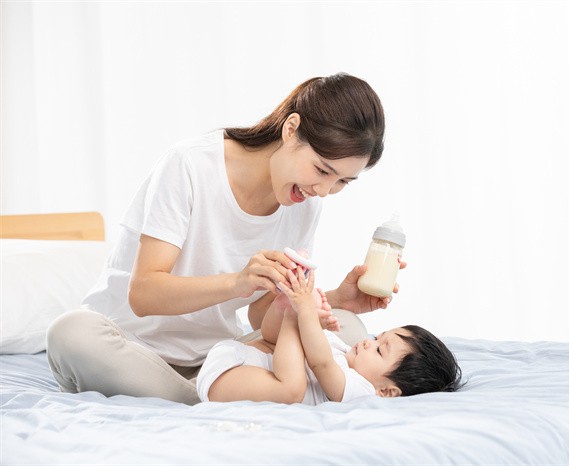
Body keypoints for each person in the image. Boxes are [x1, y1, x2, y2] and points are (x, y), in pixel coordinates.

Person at [46, 73, 399, 405]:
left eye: (341, 182)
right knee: (71, 333)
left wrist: (335, 299)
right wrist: (238, 282)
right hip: (128, 349)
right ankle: (208, 398)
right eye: (322, 169)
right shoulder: (190, 165)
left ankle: (205, 393)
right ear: (291, 129)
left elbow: (263, 317)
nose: (323, 190)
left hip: (216, 358)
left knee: (349, 328)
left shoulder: (304, 202)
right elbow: (143, 295)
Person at [197, 267, 463, 404]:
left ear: (387, 391)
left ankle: (288, 310)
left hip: (229, 376)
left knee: (292, 389)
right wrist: (311, 317)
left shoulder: (363, 391)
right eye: (377, 338)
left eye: (379, 350)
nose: (368, 343)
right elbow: (272, 338)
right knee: (283, 349)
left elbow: (321, 363)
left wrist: (304, 315)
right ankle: (284, 306)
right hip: (240, 360)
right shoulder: (342, 350)